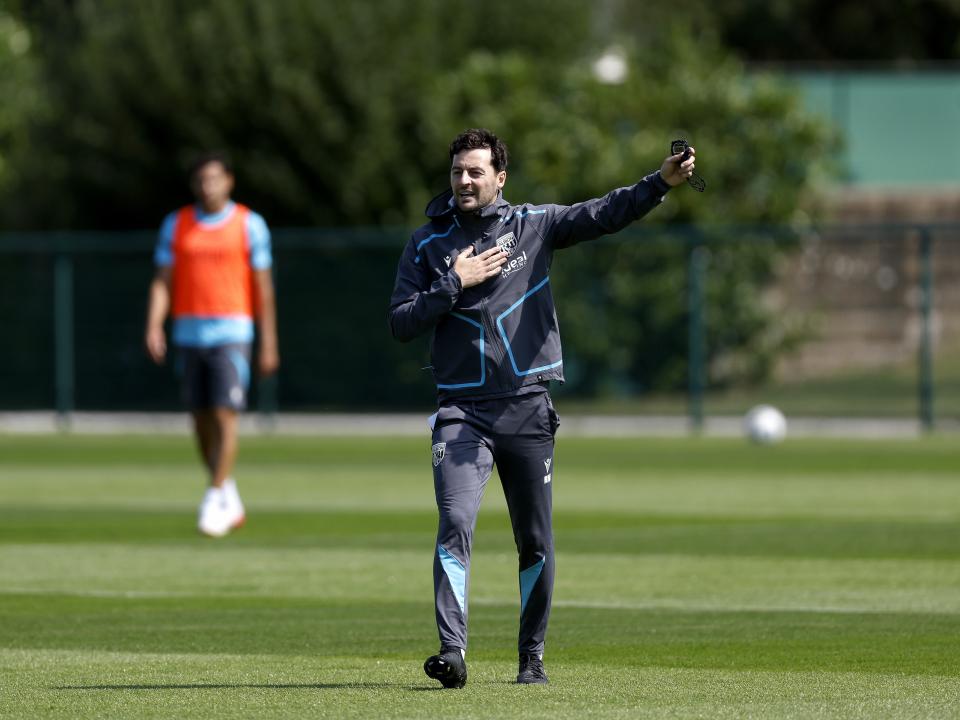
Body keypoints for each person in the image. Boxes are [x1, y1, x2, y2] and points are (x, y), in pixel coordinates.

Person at [388, 128, 695, 688]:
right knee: (454, 522)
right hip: (461, 413)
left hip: (528, 409)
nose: (464, 180)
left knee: (534, 540)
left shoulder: (535, 225)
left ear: (500, 178)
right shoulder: (426, 244)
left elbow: (604, 213)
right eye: (457, 171)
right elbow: (401, 322)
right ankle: (451, 653)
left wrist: (660, 184)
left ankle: (531, 659)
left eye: (476, 171)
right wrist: (452, 283)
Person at [145, 151, 279, 538]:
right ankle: (227, 490)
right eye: (202, 180)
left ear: (229, 181)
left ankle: (214, 492)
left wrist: (269, 341)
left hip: (232, 333)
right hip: (188, 334)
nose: (209, 186)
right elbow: (163, 281)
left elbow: (263, 288)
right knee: (200, 419)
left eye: (215, 178)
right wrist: (154, 323)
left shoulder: (249, 224)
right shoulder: (177, 225)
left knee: (225, 413)